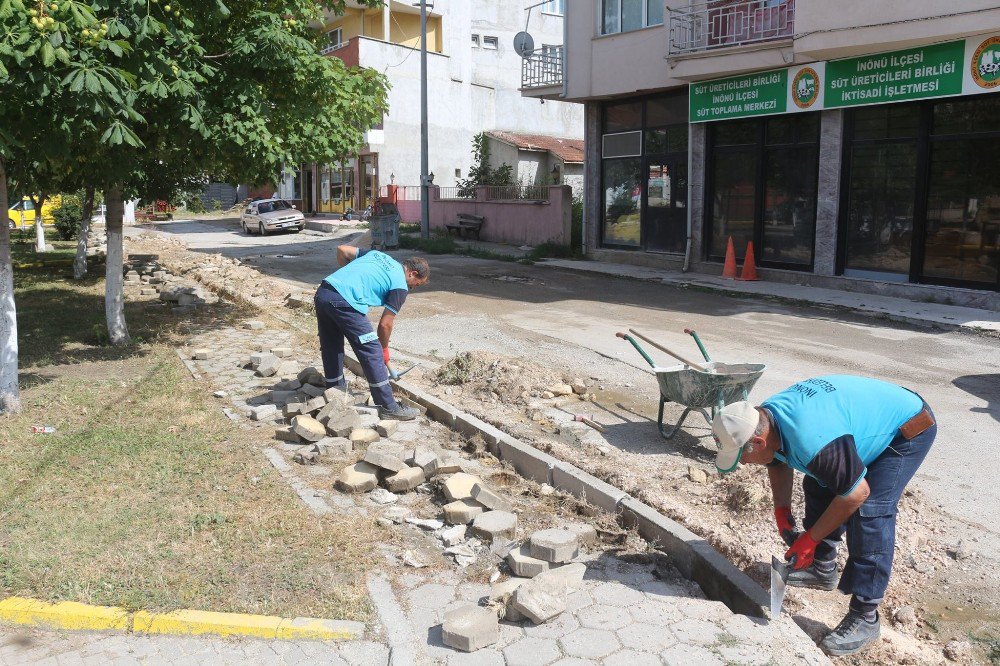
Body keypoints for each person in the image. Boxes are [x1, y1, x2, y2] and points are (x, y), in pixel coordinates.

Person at [712, 375, 936, 657]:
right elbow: (776, 459)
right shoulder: (767, 420)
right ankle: (822, 568)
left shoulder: (812, 439)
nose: (743, 463)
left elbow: (856, 494)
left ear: (757, 440)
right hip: (856, 420)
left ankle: (866, 616)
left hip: (907, 427)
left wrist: (810, 539)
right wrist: (782, 511)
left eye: (742, 457)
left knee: (870, 512)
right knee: (819, 480)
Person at [314, 245, 430, 420]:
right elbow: (385, 324)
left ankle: (334, 391)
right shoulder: (400, 285)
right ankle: (389, 407)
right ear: (412, 273)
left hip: (324, 292)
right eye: (416, 285)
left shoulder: (378, 255)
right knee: (372, 351)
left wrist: (349, 279)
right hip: (345, 302)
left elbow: (342, 250)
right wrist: (383, 350)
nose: (413, 288)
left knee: (332, 344)